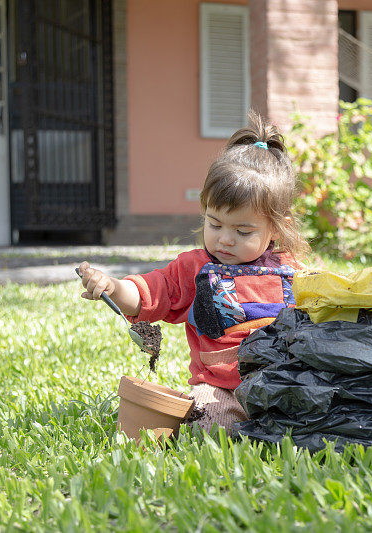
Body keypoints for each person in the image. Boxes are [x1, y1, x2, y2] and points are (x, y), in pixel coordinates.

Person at [77, 111, 310, 432]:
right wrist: (113, 287)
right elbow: (150, 292)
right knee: (208, 425)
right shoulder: (196, 269)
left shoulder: (293, 272)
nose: (225, 238)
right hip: (222, 390)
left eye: (243, 231)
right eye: (214, 224)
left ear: (276, 229)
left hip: (285, 383)